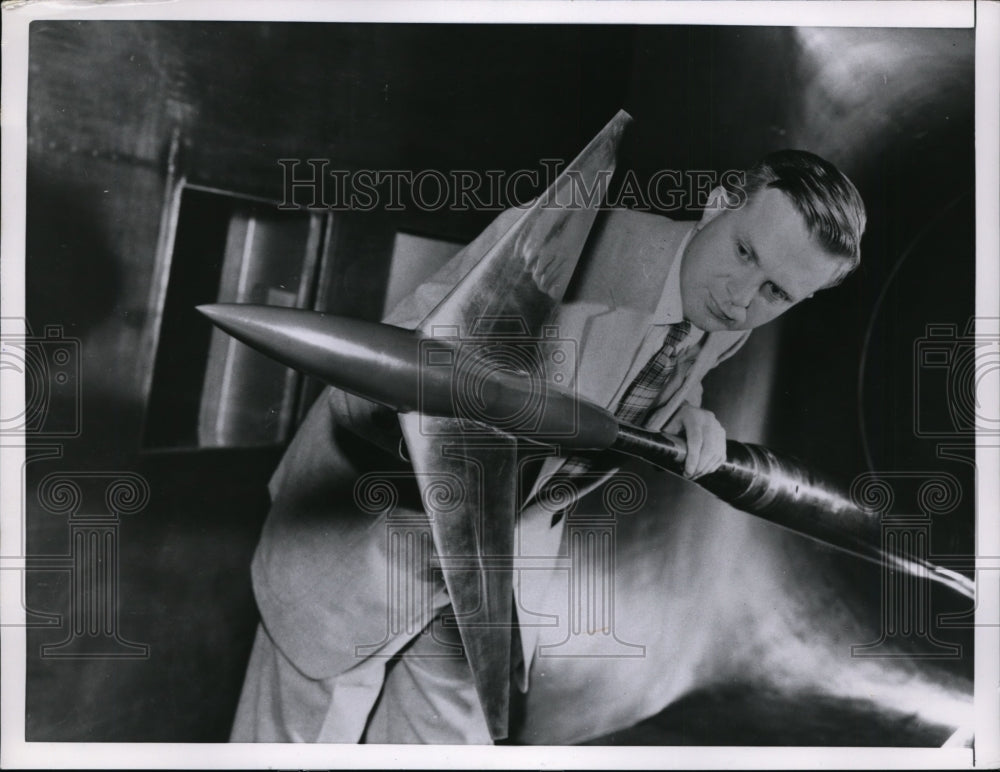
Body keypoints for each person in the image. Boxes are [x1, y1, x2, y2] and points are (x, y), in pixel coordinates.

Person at [229, 149, 867, 743]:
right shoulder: (557, 245)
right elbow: (385, 376)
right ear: (719, 203)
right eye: (745, 252)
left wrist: (690, 415)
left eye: (777, 293)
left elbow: (660, 360)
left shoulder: (723, 316)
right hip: (369, 537)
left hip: (492, 573)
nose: (740, 296)